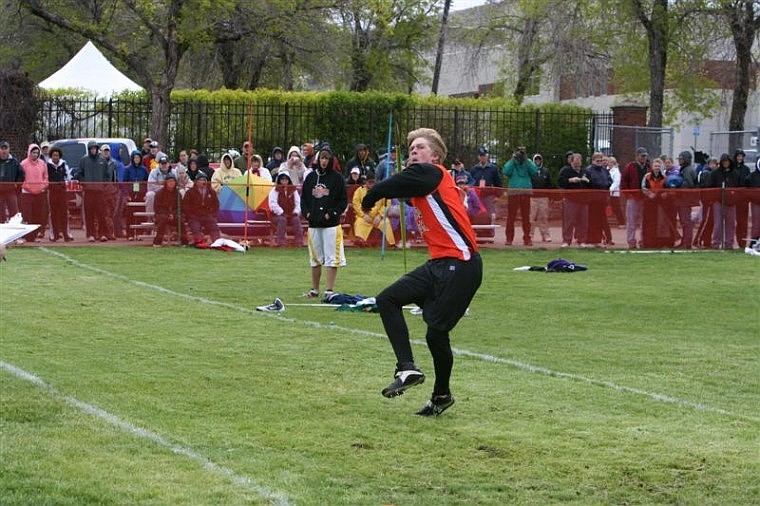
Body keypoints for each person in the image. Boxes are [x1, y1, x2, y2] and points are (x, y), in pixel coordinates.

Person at [360, 127, 482, 417]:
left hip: (461, 265)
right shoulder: (423, 185)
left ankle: (436, 390)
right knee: (388, 300)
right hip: (441, 264)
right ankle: (411, 372)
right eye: (411, 149)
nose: (413, 152)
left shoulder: (436, 173)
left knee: (436, 333)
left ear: (435, 156)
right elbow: (403, 191)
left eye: (420, 148)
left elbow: (392, 186)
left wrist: (371, 195)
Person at [300, 145, 348, 299]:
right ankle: (314, 289)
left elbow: (342, 201)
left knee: (331, 258)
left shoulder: (337, 178)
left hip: (331, 226)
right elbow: (304, 199)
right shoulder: (311, 178)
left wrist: (331, 214)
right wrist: (307, 213)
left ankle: (329, 290)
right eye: (322, 158)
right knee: (315, 259)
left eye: (327, 158)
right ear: (318, 159)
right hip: (314, 225)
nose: (324, 161)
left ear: (331, 160)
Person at [73, 141, 114, 242]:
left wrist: (103, 185)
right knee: (89, 214)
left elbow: (107, 175)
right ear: (89, 149)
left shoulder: (102, 161)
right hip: (88, 192)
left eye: (95, 148)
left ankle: (103, 234)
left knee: (101, 213)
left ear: (97, 149)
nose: (93, 150)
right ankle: (90, 234)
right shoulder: (84, 160)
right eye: (91, 148)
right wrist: (84, 183)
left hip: (100, 192)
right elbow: (79, 174)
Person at [502, 147, 537, 246]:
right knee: (511, 217)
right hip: (513, 193)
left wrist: (526, 159)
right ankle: (509, 238)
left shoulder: (528, 162)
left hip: (525, 193)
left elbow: (534, 171)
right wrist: (513, 159)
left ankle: (527, 238)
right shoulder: (512, 163)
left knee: (526, 217)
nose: (520, 155)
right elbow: (505, 171)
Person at [706, 153, 741, 249]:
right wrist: (714, 198)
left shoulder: (735, 173)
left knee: (731, 224)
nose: (725, 163)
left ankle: (729, 244)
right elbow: (710, 187)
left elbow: (739, 187)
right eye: (724, 161)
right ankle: (716, 243)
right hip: (718, 202)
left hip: (731, 203)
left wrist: (735, 197)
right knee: (718, 224)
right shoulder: (715, 173)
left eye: (727, 161)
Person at [352, 173, 395, 247]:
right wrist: (363, 215)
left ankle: (390, 244)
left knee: (386, 223)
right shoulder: (359, 190)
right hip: (365, 217)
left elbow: (386, 204)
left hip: (378, 217)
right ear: (365, 182)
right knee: (359, 222)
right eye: (369, 182)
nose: (371, 184)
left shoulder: (382, 190)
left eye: (373, 182)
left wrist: (380, 216)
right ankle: (361, 241)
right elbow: (356, 204)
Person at [557, 153, 590, 247]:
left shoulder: (585, 171)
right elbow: (560, 182)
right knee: (568, 221)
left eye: (579, 161)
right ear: (571, 161)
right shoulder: (565, 171)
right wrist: (570, 180)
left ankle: (582, 240)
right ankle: (566, 241)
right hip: (570, 199)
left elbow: (591, 184)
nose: (577, 163)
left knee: (583, 221)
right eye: (575, 161)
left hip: (583, 200)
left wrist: (587, 180)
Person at [621, 147, 650, 248]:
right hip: (633, 198)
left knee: (644, 221)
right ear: (637, 156)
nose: (644, 158)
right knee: (631, 221)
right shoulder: (630, 167)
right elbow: (623, 182)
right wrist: (628, 195)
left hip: (645, 198)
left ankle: (643, 241)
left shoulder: (648, 167)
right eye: (642, 156)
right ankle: (631, 242)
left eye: (645, 156)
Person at [19, 143, 49, 242]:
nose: (35, 155)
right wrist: (28, 187)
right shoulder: (23, 164)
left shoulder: (42, 163)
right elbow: (21, 179)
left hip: (39, 193)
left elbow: (46, 177)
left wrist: (42, 186)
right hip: (27, 193)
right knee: (27, 215)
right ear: (29, 152)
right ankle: (27, 236)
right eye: (33, 153)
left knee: (38, 215)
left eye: (37, 153)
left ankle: (35, 235)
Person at [268, 168, 303, 247]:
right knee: (282, 220)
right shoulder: (274, 190)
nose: (284, 181)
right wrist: (281, 212)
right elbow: (272, 204)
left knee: (296, 219)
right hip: (277, 215)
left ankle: (299, 241)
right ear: (279, 180)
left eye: (286, 179)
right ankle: (281, 242)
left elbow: (298, 203)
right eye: (282, 179)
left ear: (288, 180)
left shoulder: (293, 190)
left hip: (291, 214)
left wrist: (296, 212)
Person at [183, 171, 220, 245]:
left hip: (207, 215)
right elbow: (185, 205)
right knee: (195, 227)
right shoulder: (190, 192)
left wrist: (213, 215)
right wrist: (189, 215)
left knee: (214, 227)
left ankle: (217, 242)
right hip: (194, 216)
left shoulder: (211, 192)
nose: (203, 182)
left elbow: (216, 204)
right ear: (196, 181)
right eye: (201, 180)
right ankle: (199, 242)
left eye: (204, 180)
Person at [585, 152, 612, 247]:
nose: (599, 162)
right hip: (592, 200)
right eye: (597, 161)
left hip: (602, 199)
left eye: (601, 160)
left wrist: (605, 185)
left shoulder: (605, 171)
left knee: (601, 220)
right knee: (592, 221)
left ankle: (599, 239)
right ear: (593, 161)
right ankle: (590, 240)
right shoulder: (588, 170)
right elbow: (589, 183)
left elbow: (609, 181)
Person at [46, 147, 73, 242]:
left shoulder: (64, 165)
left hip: (62, 192)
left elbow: (68, 177)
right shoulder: (47, 165)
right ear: (51, 156)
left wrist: (64, 183)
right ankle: (54, 234)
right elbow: (45, 177)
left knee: (64, 213)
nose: (55, 157)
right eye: (54, 155)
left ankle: (67, 234)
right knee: (53, 213)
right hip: (52, 191)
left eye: (57, 155)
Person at [469, 146, 503, 217]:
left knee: (490, 215)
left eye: (484, 155)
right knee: (477, 215)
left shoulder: (493, 168)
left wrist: (497, 196)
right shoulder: (474, 169)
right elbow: (470, 183)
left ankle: (491, 228)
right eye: (481, 155)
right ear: (478, 157)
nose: (482, 157)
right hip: (476, 196)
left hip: (489, 196)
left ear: (487, 156)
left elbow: (498, 182)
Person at [152, 174, 184, 247]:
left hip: (175, 214)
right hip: (161, 214)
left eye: (173, 181)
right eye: (169, 181)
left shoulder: (178, 193)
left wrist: (173, 214)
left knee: (180, 220)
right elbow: (157, 208)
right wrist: (168, 214)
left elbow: (180, 207)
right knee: (163, 220)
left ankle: (184, 241)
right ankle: (157, 242)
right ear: (166, 182)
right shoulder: (159, 193)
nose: (171, 183)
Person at [530, 153, 553, 242]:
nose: (537, 161)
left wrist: (549, 196)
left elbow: (549, 184)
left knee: (543, 217)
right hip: (533, 197)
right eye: (536, 160)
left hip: (543, 197)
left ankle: (545, 235)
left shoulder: (546, 171)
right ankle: (530, 235)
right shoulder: (531, 171)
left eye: (539, 160)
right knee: (531, 217)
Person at [100, 144, 121, 240]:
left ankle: (110, 233)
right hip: (101, 190)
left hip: (112, 191)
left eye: (107, 151)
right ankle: (102, 233)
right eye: (104, 151)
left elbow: (116, 177)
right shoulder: (98, 162)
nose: (106, 152)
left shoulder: (114, 163)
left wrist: (115, 187)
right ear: (101, 151)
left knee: (111, 212)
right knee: (103, 213)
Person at [0, 140, 23, 222]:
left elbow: (21, 174)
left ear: (9, 149)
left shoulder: (14, 161)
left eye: (5, 148)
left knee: (14, 214)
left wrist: (17, 184)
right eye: (2, 148)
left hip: (11, 191)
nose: (4, 150)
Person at [733, 149, 750, 248]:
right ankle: (729, 242)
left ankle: (742, 241)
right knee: (731, 221)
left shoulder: (746, 169)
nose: (740, 158)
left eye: (741, 156)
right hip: (733, 198)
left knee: (743, 221)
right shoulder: (732, 169)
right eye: (738, 156)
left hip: (743, 199)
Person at [607, 156, 625, 228]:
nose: (609, 163)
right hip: (607, 192)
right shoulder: (607, 170)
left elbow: (617, 182)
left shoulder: (616, 171)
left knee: (616, 207)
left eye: (610, 162)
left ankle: (622, 222)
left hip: (614, 193)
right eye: (608, 162)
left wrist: (610, 189)